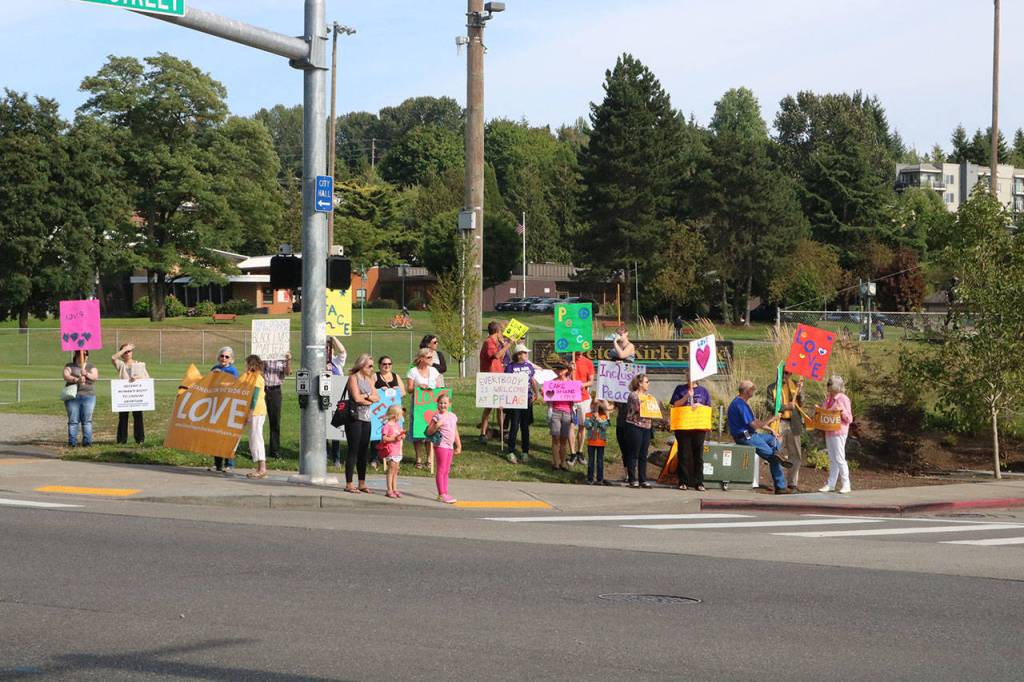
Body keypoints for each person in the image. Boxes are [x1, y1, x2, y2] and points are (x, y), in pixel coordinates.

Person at [727, 380, 793, 494]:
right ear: (747, 391)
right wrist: (772, 419)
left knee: (773, 439)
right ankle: (780, 487)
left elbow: (755, 422)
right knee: (774, 458)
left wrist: (770, 429)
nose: (754, 390)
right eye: (753, 388)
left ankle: (777, 453)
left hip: (751, 434)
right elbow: (755, 425)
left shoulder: (742, 402)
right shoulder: (740, 405)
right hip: (745, 437)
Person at [344, 354, 379, 493]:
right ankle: (349, 483)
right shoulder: (354, 378)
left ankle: (362, 482)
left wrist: (367, 397)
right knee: (353, 449)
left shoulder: (369, 379)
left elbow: (377, 397)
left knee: (364, 450)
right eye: (369, 366)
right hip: (354, 418)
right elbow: (357, 398)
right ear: (361, 365)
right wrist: (367, 398)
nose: (372, 368)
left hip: (366, 418)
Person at [406, 348, 445, 469]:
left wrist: (437, 388)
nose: (431, 360)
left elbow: (439, 386)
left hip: (431, 405)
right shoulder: (413, 371)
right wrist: (418, 386)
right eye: (428, 357)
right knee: (418, 431)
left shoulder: (434, 371)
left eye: (431, 357)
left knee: (430, 430)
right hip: (418, 405)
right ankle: (418, 458)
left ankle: (429, 459)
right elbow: (409, 389)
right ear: (421, 358)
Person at [767, 370, 804, 491]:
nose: (785, 376)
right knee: (777, 453)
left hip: (793, 423)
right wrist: (785, 407)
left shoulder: (795, 385)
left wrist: (800, 392)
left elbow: (802, 403)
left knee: (796, 454)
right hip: (779, 423)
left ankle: (792, 482)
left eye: (787, 373)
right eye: (782, 373)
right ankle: (779, 481)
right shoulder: (771, 388)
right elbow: (770, 406)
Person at [671, 380, 712, 491]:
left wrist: (700, 405)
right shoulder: (680, 388)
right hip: (683, 426)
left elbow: (708, 408)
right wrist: (686, 397)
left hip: (698, 426)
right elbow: (675, 404)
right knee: (684, 453)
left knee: (698, 454)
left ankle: (698, 482)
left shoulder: (704, 391)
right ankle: (683, 481)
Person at [819, 375, 854, 494]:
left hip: (839, 431)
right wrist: (819, 410)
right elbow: (825, 412)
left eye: (830, 384)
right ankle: (831, 484)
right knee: (832, 458)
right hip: (829, 430)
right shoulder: (828, 398)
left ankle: (846, 484)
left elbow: (849, 419)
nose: (828, 386)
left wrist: (841, 410)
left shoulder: (843, 399)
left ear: (837, 387)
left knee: (839, 457)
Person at [478, 321, 511, 444]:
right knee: (489, 406)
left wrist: (503, 345)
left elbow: (501, 357)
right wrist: (507, 345)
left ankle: (502, 432)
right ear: (497, 332)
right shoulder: (489, 342)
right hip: (491, 378)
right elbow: (496, 356)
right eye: (501, 332)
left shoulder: (495, 343)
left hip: (497, 376)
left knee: (500, 407)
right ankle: (483, 433)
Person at [370, 355, 406, 470]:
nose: (387, 366)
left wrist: (395, 390)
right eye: (384, 364)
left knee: (394, 433)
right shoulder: (375, 376)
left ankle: (393, 458)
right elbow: (369, 390)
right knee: (377, 433)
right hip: (379, 411)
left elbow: (403, 392)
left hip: (394, 411)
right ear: (379, 365)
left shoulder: (396, 376)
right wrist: (380, 390)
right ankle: (374, 458)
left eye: (389, 364)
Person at [503, 343, 537, 464]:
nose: (527, 355)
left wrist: (536, 393)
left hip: (527, 400)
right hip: (514, 401)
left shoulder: (529, 366)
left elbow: (532, 380)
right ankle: (511, 451)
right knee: (514, 426)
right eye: (525, 353)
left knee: (525, 426)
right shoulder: (510, 367)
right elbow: (506, 383)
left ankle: (525, 451)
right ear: (518, 355)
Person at [425, 392, 461, 503]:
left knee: (446, 470)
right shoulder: (437, 417)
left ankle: (445, 492)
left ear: (449, 404)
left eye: (445, 403)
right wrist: (437, 425)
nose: (443, 405)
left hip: (450, 446)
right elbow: (429, 431)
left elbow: (455, 431)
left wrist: (458, 445)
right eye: (440, 403)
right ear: (437, 404)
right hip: (441, 445)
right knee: (441, 469)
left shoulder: (453, 416)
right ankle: (441, 494)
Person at [111, 343, 148, 445]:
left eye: (129, 351)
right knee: (123, 417)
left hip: (136, 394)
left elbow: (147, 379)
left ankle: (139, 439)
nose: (127, 353)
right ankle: (122, 440)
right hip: (124, 395)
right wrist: (125, 349)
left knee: (138, 416)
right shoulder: (121, 364)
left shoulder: (139, 364)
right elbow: (113, 358)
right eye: (125, 352)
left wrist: (137, 378)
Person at [210, 346, 238, 473]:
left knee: (227, 435)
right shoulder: (214, 369)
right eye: (222, 356)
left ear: (231, 359)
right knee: (215, 436)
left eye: (227, 357)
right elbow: (208, 386)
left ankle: (229, 464)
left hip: (228, 406)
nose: (224, 358)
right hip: (215, 405)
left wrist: (221, 376)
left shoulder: (233, 371)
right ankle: (217, 464)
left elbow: (236, 387)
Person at [623, 373, 653, 488]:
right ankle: (632, 479)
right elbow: (638, 408)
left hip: (646, 427)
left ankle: (643, 479)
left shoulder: (648, 396)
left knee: (643, 454)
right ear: (640, 383)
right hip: (635, 426)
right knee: (633, 453)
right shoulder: (633, 395)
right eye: (646, 382)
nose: (648, 384)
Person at [63, 350, 98, 448]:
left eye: (85, 354)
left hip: (88, 396)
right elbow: (66, 375)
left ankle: (87, 443)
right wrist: (76, 379)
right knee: (73, 420)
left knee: (87, 420)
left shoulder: (91, 366)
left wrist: (86, 374)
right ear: (76, 354)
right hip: (73, 397)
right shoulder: (70, 365)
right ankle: (72, 443)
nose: (83, 356)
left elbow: (95, 377)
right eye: (80, 353)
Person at [260, 351, 291, 460]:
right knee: (259, 421)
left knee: (275, 421)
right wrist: (262, 363)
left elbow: (287, 372)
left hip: (275, 390)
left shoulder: (282, 358)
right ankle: (259, 450)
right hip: (263, 389)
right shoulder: (264, 356)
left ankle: (274, 450)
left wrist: (288, 360)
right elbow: (260, 373)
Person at [241, 355, 268, 479]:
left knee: (256, 437)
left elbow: (255, 396)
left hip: (257, 411)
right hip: (254, 411)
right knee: (253, 438)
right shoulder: (251, 376)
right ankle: (259, 467)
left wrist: (250, 411)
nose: (245, 366)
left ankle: (262, 468)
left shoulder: (257, 377)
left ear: (252, 365)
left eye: (247, 364)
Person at [545, 363, 574, 472]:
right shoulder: (553, 383)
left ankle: (563, 462)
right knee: (555, 437)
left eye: (562, 369)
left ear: (566, 370)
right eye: (558, 369)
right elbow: (548, 398)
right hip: (555, 412)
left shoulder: (571, 383)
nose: (560, 371)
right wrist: (546, 393)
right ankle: (556, 463)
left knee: (564, 439)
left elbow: (575, 398)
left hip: (567, 412)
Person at [568, 351, 595, 466]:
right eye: (576, 350)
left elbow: (591, 381)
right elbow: (560, 377)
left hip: (583, 399)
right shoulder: (567, 361)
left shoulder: (588, 362)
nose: (578, 352)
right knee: (571, 426)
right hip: (569, 398)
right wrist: (569, 370)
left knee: (582, 426)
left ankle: (580, 451)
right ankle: (572, 453)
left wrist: (580, 385)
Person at [326, 337, 347, 468]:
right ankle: (324, 454)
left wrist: (333, 337)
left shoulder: (337, 361)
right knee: (322, 427)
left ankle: (336, 458)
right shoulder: (318, 362)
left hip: (337, 397)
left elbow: (343, 351)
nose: (327, 350)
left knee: (336, 428)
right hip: (324, 397)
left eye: (329, 347)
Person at [379, 405, 406, 499]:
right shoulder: (387, 426)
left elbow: (401, 434)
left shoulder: (397, 425)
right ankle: (389, 489)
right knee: (391, 470)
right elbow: (384, 438)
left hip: (398, 450)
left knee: (396, 470)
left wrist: (402, 436)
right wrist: (394, 438)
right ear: (395, 415)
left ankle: (395, 489)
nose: (401, 417)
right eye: (400, 415)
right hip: (391, 451)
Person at [583, 401, 612, 485]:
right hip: (591, 442)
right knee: (591, 461)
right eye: (593, 406)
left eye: (596, 406)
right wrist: (593, 418)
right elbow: (587, 425)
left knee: (600, 461)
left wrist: (599, 419)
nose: (594, 407)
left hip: (600, 442)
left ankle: (600, 479)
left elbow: (604, 427)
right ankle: (590, 478)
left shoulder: (604, 416)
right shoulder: (588, 415)